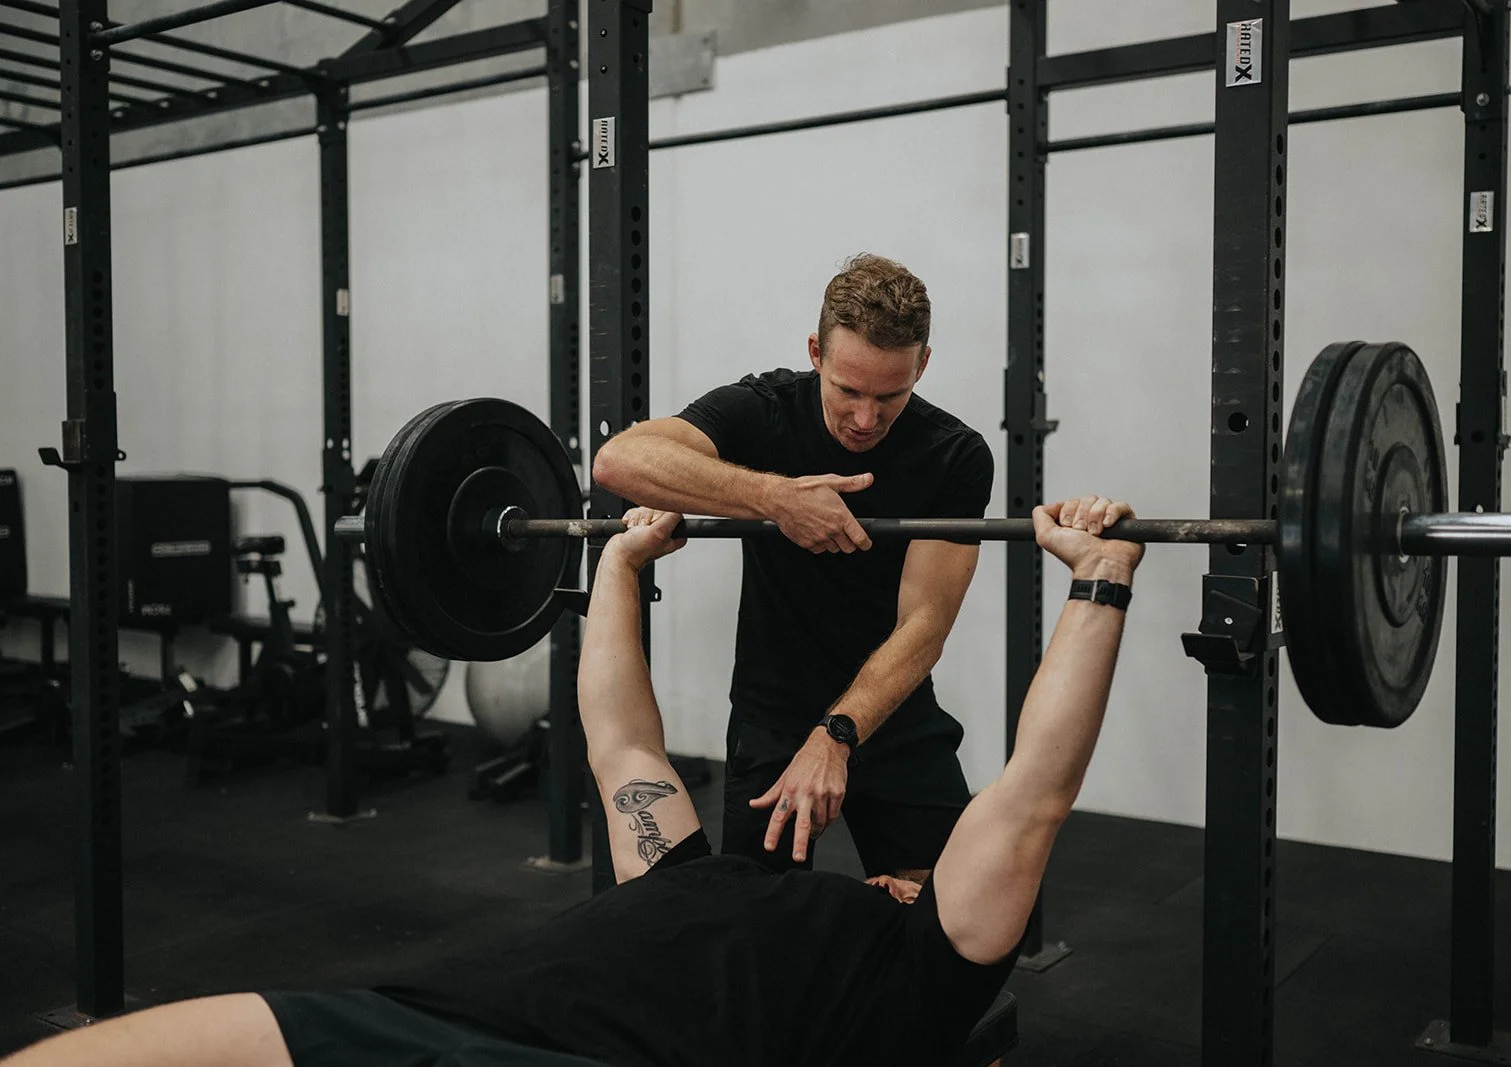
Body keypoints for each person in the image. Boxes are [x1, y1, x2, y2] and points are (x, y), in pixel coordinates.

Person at [1, 496, 1144, 1067]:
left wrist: (1097, 581)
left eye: (924, 873)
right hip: (434, 1011)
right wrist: (618, 562)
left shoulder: (924, 971)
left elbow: (1030, 793)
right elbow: (622, 742)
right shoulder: (694, 874)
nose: (912, 869)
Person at [591, 253, 994, 879]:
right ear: (815, 354)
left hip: (895, 713)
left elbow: (926, 624)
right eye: (848, 390)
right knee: (757, 916)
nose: (866, 419)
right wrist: (777, 498)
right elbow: (619, 461)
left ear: (922, 366)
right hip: (772, 718)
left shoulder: (955, 455)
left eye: (891, 395)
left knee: (948, 915)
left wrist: (836, 734)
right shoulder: (765, 408)